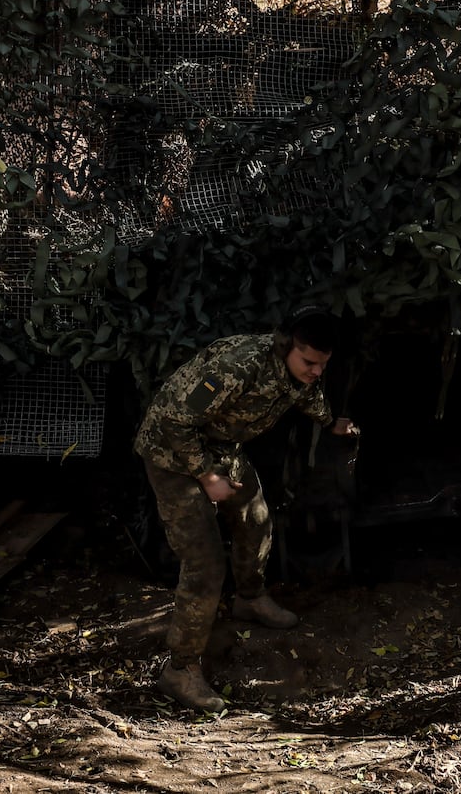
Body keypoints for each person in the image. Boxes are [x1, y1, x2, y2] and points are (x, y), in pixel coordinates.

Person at [134, 305, 359, 711]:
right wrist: (206, 477)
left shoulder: (297, 371)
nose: (316, 371)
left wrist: (330, 423)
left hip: (223, 451)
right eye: (310, 362)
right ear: (288, 345)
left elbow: (306, 392)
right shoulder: (237, 365)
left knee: (256, 522)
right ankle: (180, 671)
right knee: (204, 564)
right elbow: (173, 421)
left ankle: (249, 598)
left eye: (323, 364)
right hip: (173, 456)